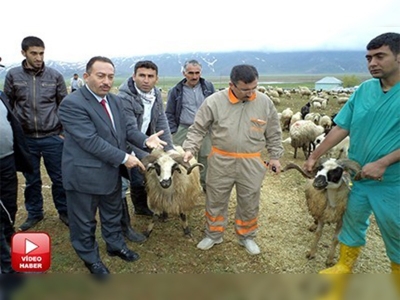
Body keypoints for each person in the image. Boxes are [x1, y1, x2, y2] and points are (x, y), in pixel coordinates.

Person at [58, 56, 167, 275]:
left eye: (110, 76)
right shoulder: (72, 104)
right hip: (84, 175)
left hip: (110, 172)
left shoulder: (115, 101)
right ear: (87, 76)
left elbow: (128, 129)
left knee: (112, 212)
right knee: (84, 221)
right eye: (100, 76)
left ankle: (115, 245)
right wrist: (125, 158)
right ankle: (91, 259)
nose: (106, 81)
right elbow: (90, 141)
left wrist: (145, 140)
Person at [304, 32, 400, 275]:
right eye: (368, 58)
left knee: (396, 232)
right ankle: (344, 268)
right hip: (359, 179)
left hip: (393, 182)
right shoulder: (365, 90)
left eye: (380, 56)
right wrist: (316, 155)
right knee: (351, 223)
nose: (372, 63)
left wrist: (384, 162)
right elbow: (341, 127)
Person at [182, 64, 283, 255]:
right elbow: (198, 129)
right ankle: (213, 234)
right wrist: (189, 149)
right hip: (221, 160)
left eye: (254, 88)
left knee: (249, 200)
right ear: (231, 85)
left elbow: (274, 132)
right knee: (215, 199)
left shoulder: (264, 102)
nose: (250, 92)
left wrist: (275, 156)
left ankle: (247, 236)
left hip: (251, 162)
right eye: (245, 89)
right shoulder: (214, 102)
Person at [3, 36, 69, 231]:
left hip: (53, 137)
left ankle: (64, 211)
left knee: (59, 178)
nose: (39, 57)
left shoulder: (55, 76)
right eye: (34, 53)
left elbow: (64, 106)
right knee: (32, 180)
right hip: (26, 139)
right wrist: (15, 134)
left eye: (41, 53)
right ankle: (35, 213)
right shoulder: (13, 76)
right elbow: (8, 105)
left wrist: (63, 132)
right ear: (23, 53)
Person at [118, 60, 175, 222]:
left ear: (156, 79)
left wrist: (170, 148)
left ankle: (141, 207)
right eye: (141, 75)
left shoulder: (155, 94)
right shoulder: (124, 97)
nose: (146, 80)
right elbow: (128, 129)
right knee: (123, 181)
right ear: (134, 76)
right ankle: (123, 223)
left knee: (142, 172)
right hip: (123, 143)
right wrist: (146, 142)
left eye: (150, 76)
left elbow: (162, 120)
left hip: (143, 139)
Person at [165, 59, 215, 190]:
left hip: (205, 128)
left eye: (197, 73)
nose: (194, 76)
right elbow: (169, 112)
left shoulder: (208, 87)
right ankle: (183, 186)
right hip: (183, 128)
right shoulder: (176, 90)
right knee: (182, 158)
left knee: (205, 158)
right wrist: (173, 130)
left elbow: (216, 108)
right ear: (184, 73)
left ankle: (204, 186)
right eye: (190, 73)